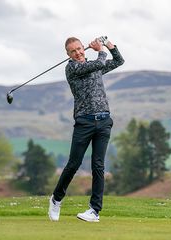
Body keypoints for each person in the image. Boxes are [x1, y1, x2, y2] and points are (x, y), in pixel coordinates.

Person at [48, 36, 124, 222]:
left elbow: (119, 61)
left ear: (84, 48)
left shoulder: (94, 65)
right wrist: (100, 51)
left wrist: (110, 46)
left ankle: (94, 211)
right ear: (68, 55)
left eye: (80, 48)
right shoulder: (72, 68)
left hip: (104, 120)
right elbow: (98, 63)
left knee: (98, 166)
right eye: (73, 51)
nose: (78, 52)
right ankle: (56, 199)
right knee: (74, 164)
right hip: (84, 122)